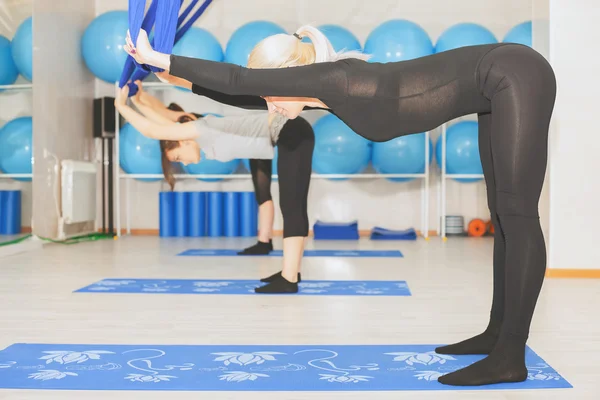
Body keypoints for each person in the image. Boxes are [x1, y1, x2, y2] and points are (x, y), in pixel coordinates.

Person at [120, 24, 556, 387]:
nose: (268, 105)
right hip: (492, 87)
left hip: (514, 74)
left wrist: (162, 59)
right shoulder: (318, 93)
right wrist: (165, 79)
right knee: (502, 214)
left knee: (517, 214)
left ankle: (510, 356)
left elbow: (238, 80)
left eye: (273, 93)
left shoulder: (334, 79)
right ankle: (496, 333)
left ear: (290, 77)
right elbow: (238, 94)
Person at [116, 80, 314, 293]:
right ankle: (292, 272)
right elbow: (163, 119)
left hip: (290, 132)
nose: (183, 163)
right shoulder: (200, 138)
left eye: (179, 157)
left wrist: (122, 107)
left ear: (183, 141)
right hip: (286, 134)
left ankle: (289, 279)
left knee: (292, 206)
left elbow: (154, 130)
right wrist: (139, 99)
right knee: (295, 205)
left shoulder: (201, 130)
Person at [131, 82, 293, 258]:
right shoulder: (188, 125)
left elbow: (160, 114)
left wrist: (138, 99)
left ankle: (264, 241)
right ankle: (264, 241)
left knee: (263, 194)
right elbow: (159, 114)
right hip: (254, 144)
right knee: (262, 194)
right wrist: (139, 98)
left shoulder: (189, 121)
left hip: (257, 137)